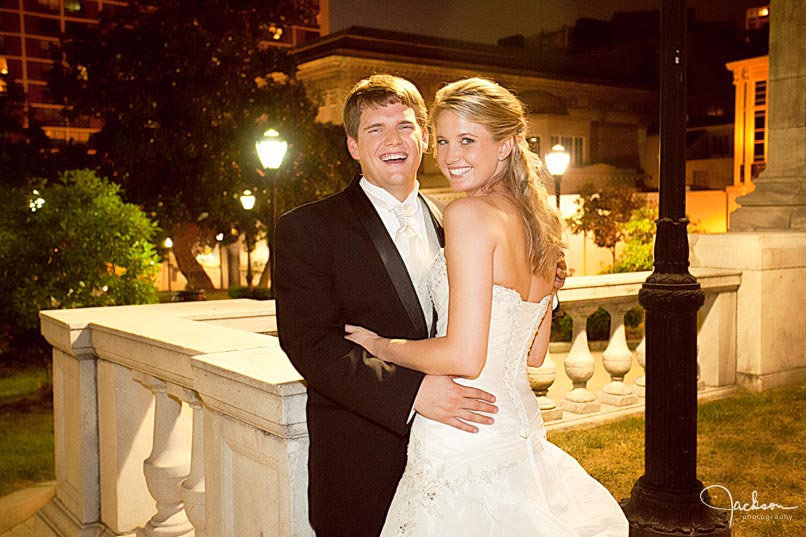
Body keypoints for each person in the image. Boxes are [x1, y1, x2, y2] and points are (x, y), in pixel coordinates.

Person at [345, 77, 629, 536]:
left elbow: (464, 356)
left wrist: (383, 346)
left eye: (467, 140)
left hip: (462, 435)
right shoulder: (542, 222)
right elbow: (534, 355)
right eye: (442, 141)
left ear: (505, 145)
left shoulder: (467, 214)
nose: (451, 156)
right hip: (516, 432)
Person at [274, 74, 505, 537]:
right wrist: (412, 392)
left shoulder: (458, 222)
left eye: (403, 126)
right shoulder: (307, 228)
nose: (392, 140)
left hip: (455, 455)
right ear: (354, 146)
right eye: (375, 130)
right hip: (362, 461)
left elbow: (494, 310)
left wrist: (546, 282)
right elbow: (310, 344)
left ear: (423, 136)